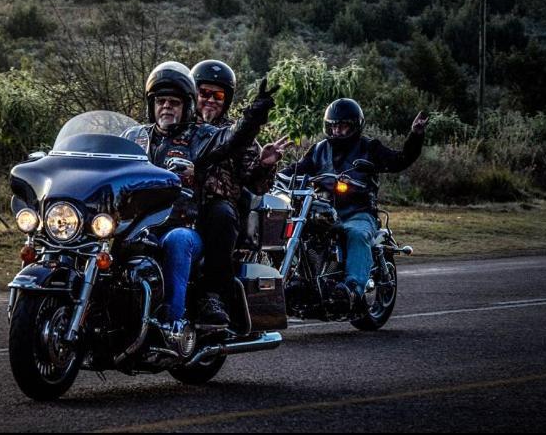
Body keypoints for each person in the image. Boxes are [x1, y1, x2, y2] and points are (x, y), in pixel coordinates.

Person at [122, 61, 275, 333]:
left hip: (201, 214)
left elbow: (234, 140)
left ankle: (201, 304)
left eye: (218, 96)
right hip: (148, 218)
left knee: (219, 215)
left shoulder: (204, 135)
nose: (167, 107)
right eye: (161, 101)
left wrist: (254, 122)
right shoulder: (137, 136)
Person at [279, 98, 428, 311]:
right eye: (334, 126)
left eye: (343, 126)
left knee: (357, 233)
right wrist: (276, 175)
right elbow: (297, 169)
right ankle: (301, 282)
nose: (338, 131)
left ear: (355, 126)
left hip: (358, 213)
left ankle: (351, 290)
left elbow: (399, 160)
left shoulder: (369, 148)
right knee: (299, 234)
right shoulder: (318, 150)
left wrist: (415, 136)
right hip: (323, 211)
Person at [189, 60, 289, 326]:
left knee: (221, 215)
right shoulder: (178, 125)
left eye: (218, 95)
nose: (210, 100)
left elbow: (255, 185)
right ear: (192, 93)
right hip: (178, 203)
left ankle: (213, 296)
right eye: (204, 93)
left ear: (227, 99)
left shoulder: (238, 133)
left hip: (217, 206)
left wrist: (264, 165)